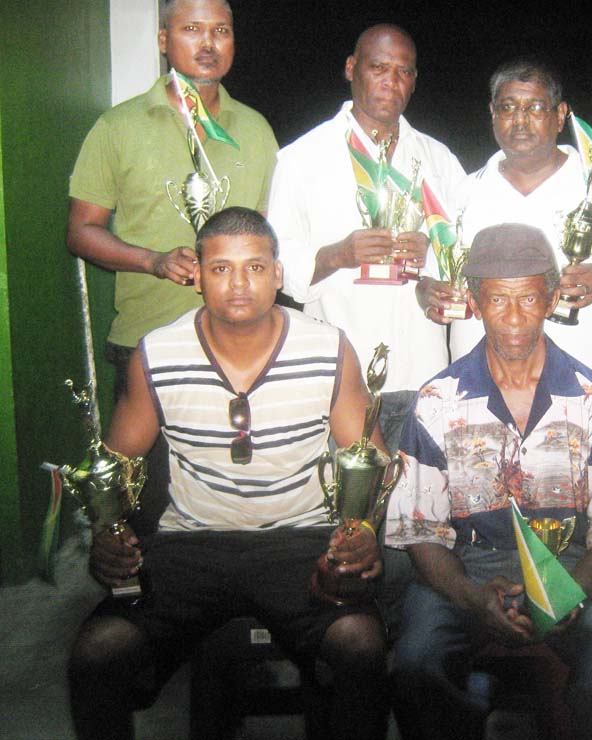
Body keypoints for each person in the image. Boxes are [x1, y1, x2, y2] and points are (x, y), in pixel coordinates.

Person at [67, 207, 390, 740]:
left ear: (278, 275)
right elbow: (116, 466)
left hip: (299, 540)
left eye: (255, 267)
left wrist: (366, 534)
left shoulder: (327, 347)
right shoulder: (157, 353)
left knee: (361, 647)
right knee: (96, 654)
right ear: (196, 274)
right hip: (193, 543)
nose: (239, 284)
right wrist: (106, 534)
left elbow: (369, 458)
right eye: (220, 269)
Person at [387, 223, 592, 740]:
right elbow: (419, 530)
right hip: (463, 568)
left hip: (572, 568)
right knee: (415, 666)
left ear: (552, 298)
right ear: (474, 301)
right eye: (497, 301)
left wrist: (569, 596)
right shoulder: (437, 401)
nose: (514, 318)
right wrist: (470, 598)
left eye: (529, 299)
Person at [419, 58, 592, 391]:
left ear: (560, 115)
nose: (521, 120)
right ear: (493, 114)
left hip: (584, 399)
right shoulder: (464, 194)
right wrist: (428, 293)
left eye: (536, 107)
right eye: (508, 107)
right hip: (478, 402)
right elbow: (428, 280)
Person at [268, 23, 469, 452]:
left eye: (404, 71)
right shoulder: (302, 158)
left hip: (423, 367)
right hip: (338, 369)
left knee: (419, 509)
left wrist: (433, 252)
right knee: (349, 507)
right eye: (379, 67)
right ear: (351, 69)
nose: (391, 82)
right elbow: (278, 262)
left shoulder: (437, 159)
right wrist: (340, 254)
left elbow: (465, 246)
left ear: (414, 81)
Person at [67, 0, 278, 397]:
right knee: (144, 460)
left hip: (243, 340)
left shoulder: (256, 129)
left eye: (221, 31)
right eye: (192, 29)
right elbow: (80, 231)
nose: (208, 43)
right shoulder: (118, 126)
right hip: (148, 338)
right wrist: (154, 261)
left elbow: (266, 234)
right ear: (164, 39)